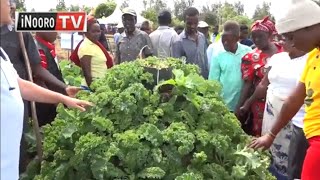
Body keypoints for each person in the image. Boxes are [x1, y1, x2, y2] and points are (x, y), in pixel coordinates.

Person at [0, 1, 92, 179]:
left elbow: (20, 84)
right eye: (7, 2)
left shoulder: (5, 52)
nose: (12, 6)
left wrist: (64, 95)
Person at [249, 0, 320, 179]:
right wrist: (271, 135)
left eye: (291, 36)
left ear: (310, 27)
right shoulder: (313, 56)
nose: (289, 43)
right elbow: (295, 99)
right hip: (306, 132)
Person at [244, 37, 308, 179]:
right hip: (271, 114)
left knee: (290, 158)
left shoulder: (310, 60)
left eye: (284, 39)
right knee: (270, 151)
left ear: (294, 40)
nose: (280, 42)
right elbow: (263, 84)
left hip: (294, 118)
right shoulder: (278, 58)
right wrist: (248, 102)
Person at [236, 16, 283, 137]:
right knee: (261, 135)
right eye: (253, 36)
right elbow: (247, 84)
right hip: (259, 106)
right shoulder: (251, 57)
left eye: (260, 36)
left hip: (283, 103)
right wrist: (241, 106)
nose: (256, 40)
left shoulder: (284, 51)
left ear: (270, 35)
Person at [208, 21, 251, 112]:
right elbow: (213, 82)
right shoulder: (218, 54)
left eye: (228, 40)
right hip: (224, 106)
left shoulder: (247, 52)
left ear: (237, 38)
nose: (225, 43)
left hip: (243, 104)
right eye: (223, 40)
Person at [34, 31, 67, 126]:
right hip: (47, 104)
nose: (56, 32)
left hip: (54, 99)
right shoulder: (39, 50)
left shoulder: (48, 47)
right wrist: (55, 101)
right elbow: (38, 81)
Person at [172, 7, 209, 79]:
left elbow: (205, 59)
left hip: (204, 82)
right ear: (184, 22)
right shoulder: (178, 41)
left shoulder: (202, 37)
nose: (193, 26)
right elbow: (177, 69)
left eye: (195, 23)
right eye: (189, 23)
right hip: (189, 84)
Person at [77, 18, 114, 86]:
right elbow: (87, 75)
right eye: (93, 31)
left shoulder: (95, 44)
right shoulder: (86, 46)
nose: (97, 34)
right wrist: (94, 90)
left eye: (98, 31)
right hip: (91, 88)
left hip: (101, 85)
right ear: (86, 32)